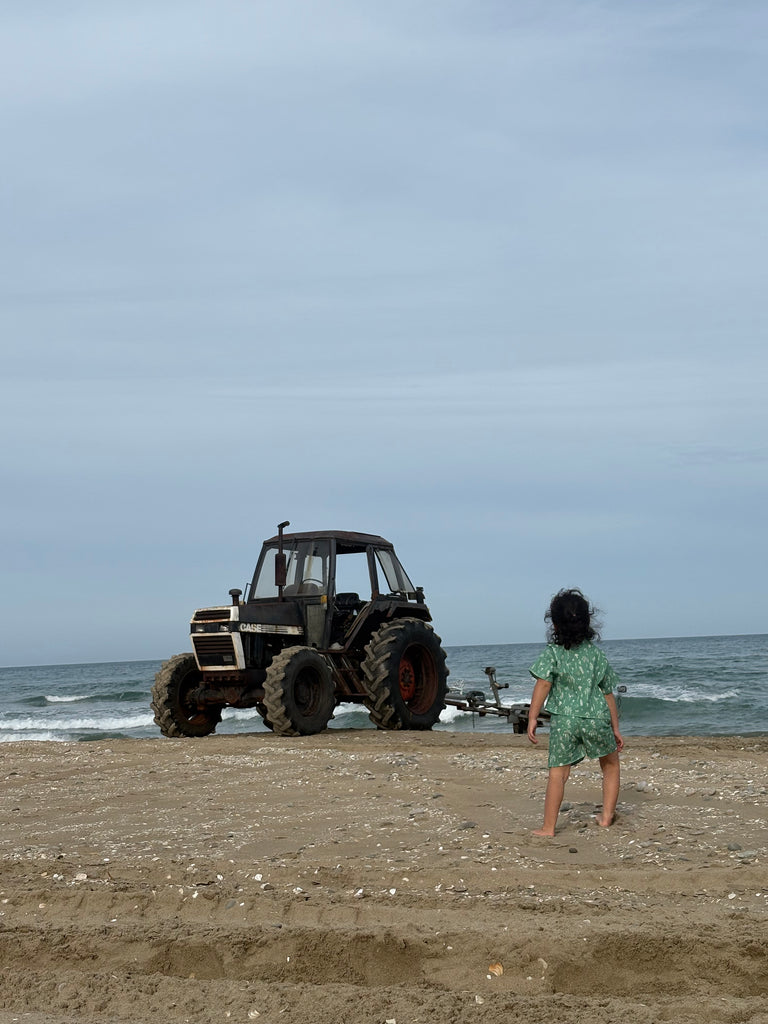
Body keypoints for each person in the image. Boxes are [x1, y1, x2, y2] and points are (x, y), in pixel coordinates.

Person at [526, 588, 624, 837]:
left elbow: (543, 684)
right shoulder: (595, 655)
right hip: (596, 718)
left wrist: (532, 717)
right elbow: (607, 693)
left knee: (558, 773)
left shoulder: (553, 653)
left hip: (565, 721)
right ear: (587, 622)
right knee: (610, 765)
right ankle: (606, 817)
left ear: (555, 625)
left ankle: (548, 827)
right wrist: (615, 728)